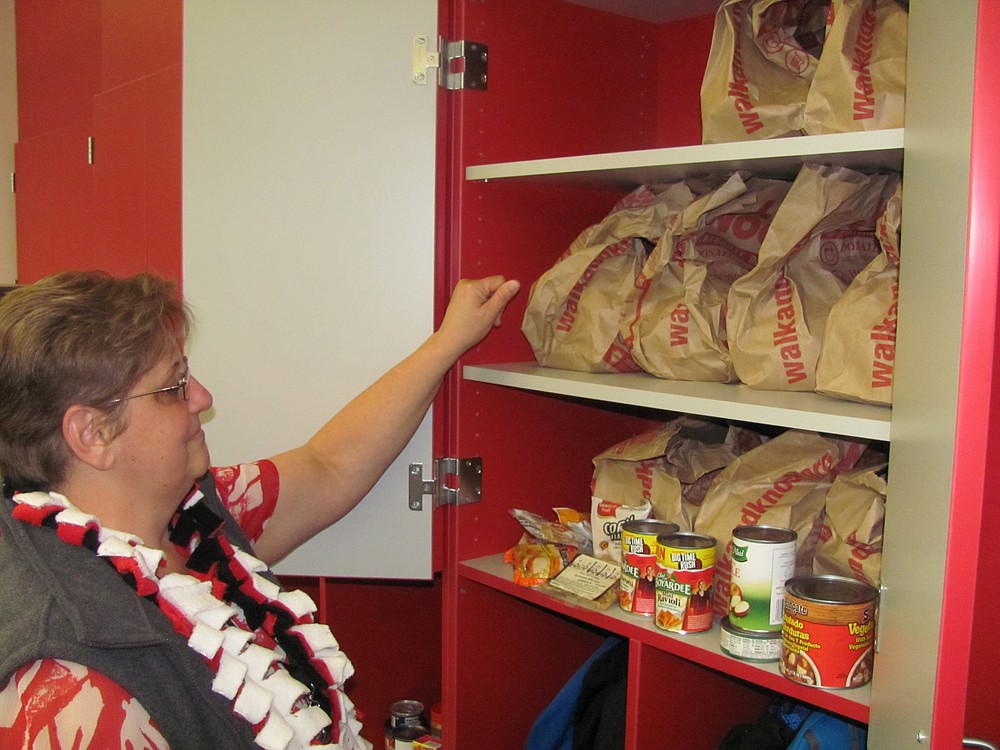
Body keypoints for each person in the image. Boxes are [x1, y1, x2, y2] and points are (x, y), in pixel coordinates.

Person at [0, 270, 520, 749]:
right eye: (174, 386)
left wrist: (448, 341)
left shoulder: (189, 516)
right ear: (93, 434)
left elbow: (328, 466)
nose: (202, 397)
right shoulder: (66, 684)